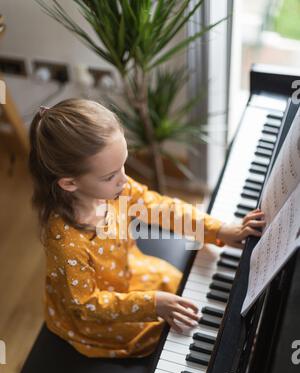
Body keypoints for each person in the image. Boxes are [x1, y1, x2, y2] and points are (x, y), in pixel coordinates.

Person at [28, 98, 265, 359]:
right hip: (99, 315)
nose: (123, 180)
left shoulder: (117, 189)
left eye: (123, 165)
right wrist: (153, 304)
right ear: (70, 183)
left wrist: (217, 230)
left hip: (128, 270)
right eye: (110, 176)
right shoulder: (65, 242)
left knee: (182, 290)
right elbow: (85, 305)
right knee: (165, 336)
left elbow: (160, 208)